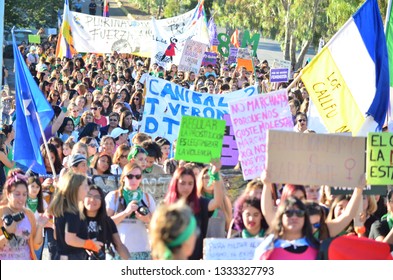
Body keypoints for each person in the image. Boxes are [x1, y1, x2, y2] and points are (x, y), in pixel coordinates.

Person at [164, 160, 224, 260]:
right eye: (182, 183)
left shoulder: (200, 203)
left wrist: (215, 174)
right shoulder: (166, 206)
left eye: (190, 183)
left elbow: (217, 202)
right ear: (175, 184)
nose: (186, 187)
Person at [105, 163, 156, 259]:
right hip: (118, 251)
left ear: (141, 179)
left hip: (142, 251)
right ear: (123, 178)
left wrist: (147, 219)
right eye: (130, 176)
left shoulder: (147, 197)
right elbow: (105, 224)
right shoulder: (113, 196)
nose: (134, 180)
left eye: (137, 176)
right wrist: (125, 213)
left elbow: (157, 226)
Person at [48, 171, 103, 260]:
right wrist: (90, 244)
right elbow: (70, 239)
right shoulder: (73, 213)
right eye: (85, 186)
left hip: (61, 256)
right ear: (75, 189)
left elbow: (56, 235)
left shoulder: (61, 209)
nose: (88, 189)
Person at [0, 171, 48, 259]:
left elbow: (35, 245)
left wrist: (40, 227)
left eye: (24, 194)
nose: (21, 198)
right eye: (17, 194)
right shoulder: (1, 212)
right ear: (8, 194)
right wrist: (7, 234)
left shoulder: (29, 215)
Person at [253, 196, 320, 260]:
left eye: (299, 213)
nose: (294, 217)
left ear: (305, 218)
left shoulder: (317, 247)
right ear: (281, 217)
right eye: (289, 213)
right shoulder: (266, 248)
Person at [84, 185, 130, 260]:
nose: (92, 199)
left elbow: (119, 245)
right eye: (89, 195)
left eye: (97, 197)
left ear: (102, 201)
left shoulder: (107, 221)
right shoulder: (76, 219)